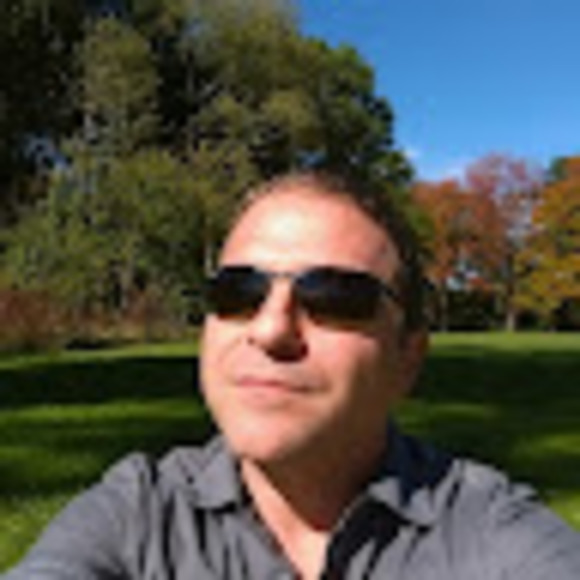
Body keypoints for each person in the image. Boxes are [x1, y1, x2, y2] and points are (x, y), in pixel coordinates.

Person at [4, 171, 580, 580]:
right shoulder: (137, 515)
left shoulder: (491, 531)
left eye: (335, 297)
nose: (270, 329)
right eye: (238, 292)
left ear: (408, 358)